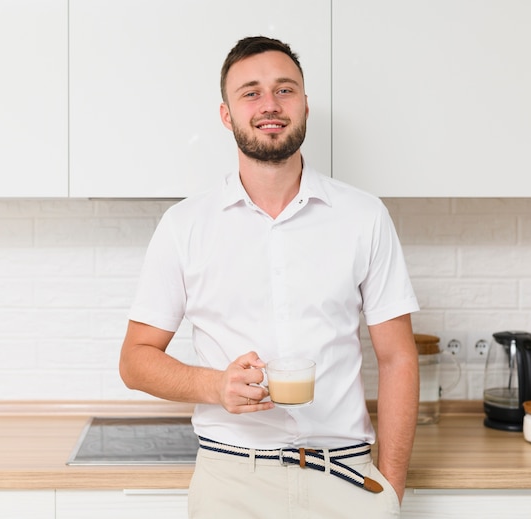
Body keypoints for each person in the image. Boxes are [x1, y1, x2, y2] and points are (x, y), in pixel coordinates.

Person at [119, 35, 420, 518]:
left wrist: (390, 490)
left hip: (346, 478)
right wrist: (215, 386)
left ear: (304, 105)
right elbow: (135, 361)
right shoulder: (185, 225)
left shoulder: (364, 216)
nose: (270, 105)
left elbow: (398, 358)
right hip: (231, 482)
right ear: (226, 114)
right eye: (250, 92)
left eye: (285, 90)